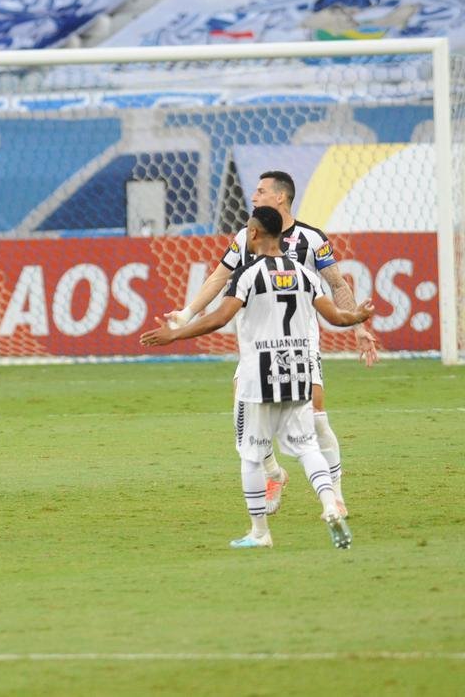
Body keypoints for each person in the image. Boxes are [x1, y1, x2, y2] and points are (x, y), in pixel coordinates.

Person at [142, 206, 374, 550]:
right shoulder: (304, 274)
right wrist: (357, 317)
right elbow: (335, 316)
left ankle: (260, 532)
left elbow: (219, 319)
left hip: (259, 373)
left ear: (254, 234)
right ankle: (330, 504)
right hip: (297, 369)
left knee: (252, 453)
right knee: (306, 445)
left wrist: (176, 335)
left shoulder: (248, 276)